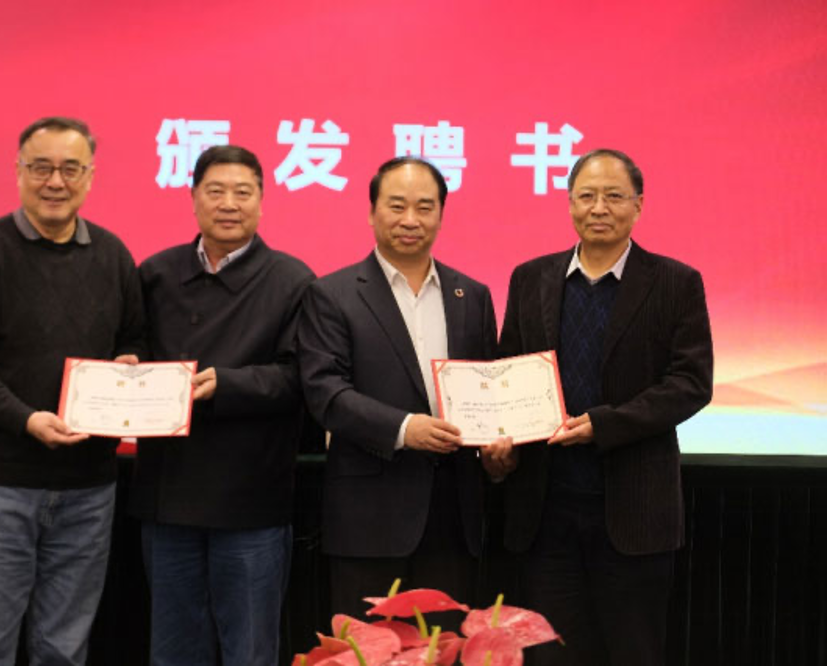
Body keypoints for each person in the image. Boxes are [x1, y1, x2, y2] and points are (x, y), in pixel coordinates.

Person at [483, 149, 713, 666]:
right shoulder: (531, 278)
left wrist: (603, 425)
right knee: (550, 655)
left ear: (638, 205)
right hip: (544, 513)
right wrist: (497, 441)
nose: (599, 208)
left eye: (613, 196)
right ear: (570, 204)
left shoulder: (675, 282)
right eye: (586, 196)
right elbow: (506, 372)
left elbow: (690, 384)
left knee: (633, 652)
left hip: (633, 513)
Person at [0, 116, 144, 665]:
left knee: (64, 648)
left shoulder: (113, 255)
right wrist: (26, 418)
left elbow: (134, 340)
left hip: (88, 487)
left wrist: (130, 368)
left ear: (91, 176)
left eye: (70, 169)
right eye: (41, 168)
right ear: (18, 171)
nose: (55, 181)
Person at [134, 145, 315, 666]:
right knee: (174, 651)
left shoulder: (292, 280)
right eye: (215, 191)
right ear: (193, 198)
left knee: (250, 652)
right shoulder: (156, 273)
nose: (229, 204)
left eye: (243, 192)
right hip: (167, 495)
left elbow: (300, 378)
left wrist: (228, 385)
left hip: (251, 502)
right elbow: (132, 351)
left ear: (262, 200)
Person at [297, 156, 499, 620]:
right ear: (372, 212)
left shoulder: (473, 295)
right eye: (397, 205)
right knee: (367, 648)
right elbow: (325, 393)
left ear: (441, 215)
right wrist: (405, 429)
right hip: (368, 520)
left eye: (425, 207)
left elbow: (488, 389)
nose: (411, 219)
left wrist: (498, 447)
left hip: (453, 519)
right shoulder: (332, 294)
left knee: (446, 646)